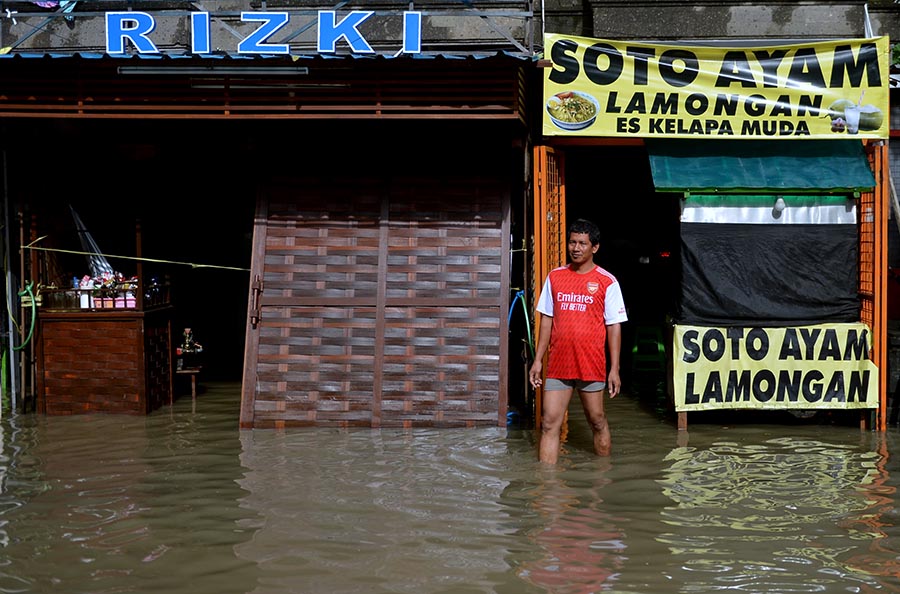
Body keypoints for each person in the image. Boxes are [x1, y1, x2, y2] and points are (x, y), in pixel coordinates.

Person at [529, 218, 628, 464]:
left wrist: (614, 369)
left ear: (594, 247)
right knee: (549, 423)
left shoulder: (608, 281)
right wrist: (538, 360)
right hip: (559, 363)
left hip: (591, 363)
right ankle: (547, 487)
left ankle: (602, 478)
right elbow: (547, 321)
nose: (576, 248)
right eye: (572, 242)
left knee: (597, 420)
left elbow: (614, 326)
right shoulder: (555, 277)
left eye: (582, 243)